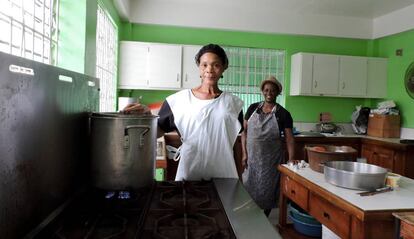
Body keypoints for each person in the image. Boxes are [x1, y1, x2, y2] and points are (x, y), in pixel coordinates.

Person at [122, 44, 244, 181]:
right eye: (204, 65)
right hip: (190, 176)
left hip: (225, 177)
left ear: (224, 67)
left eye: (215, 65)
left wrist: (239, 179)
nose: (209, 70)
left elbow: (235, 144)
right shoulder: (178, 101)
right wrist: (147, 117)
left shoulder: (234, 104)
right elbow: (156, 132)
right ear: (199, 67)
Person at [241, 76, 295, 217]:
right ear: (262, 91)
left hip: (271, 161)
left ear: (278, 92)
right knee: (250, 186)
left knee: (268, 189)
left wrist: (291, 158)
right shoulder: (252, 108)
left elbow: (289, 138)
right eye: (266, 90)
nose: (269, 93)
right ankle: (250, 215)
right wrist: (244, 154)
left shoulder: (283, 114)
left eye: (272, 90)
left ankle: (264, 217)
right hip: (252, 158)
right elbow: (244, 133)